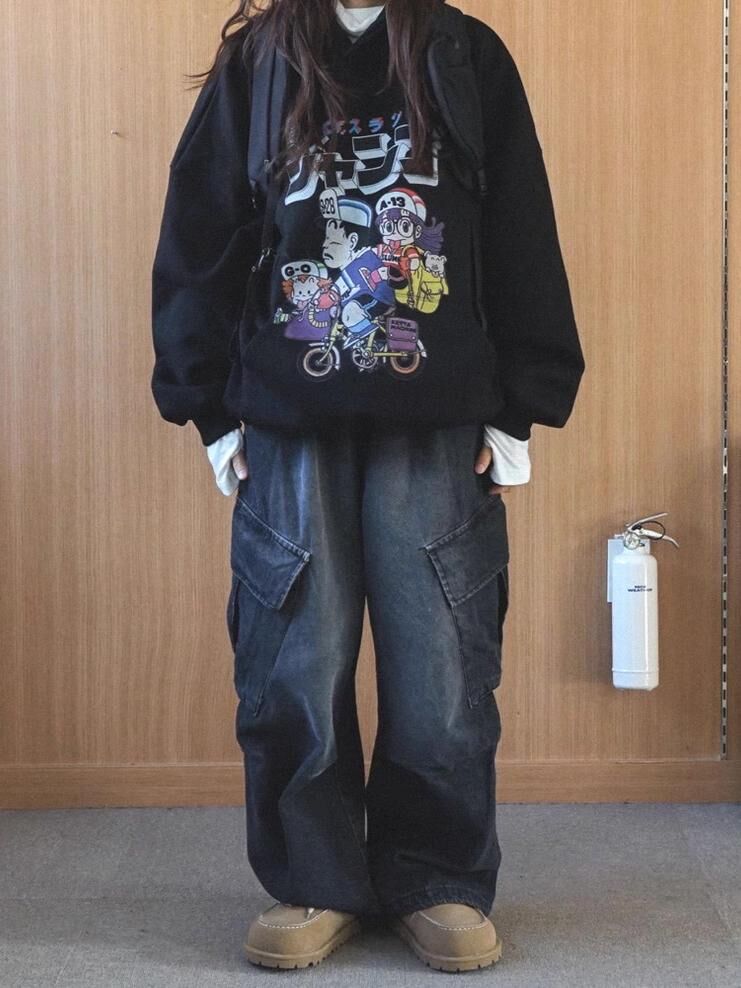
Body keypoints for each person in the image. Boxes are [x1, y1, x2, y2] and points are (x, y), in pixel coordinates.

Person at [150, 0, 585, 972]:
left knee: (442, 665)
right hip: (286, 416)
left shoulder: (464, 55)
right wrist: (206, 408)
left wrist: (522, 405)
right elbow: (202, 231)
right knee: (293, 660)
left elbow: (519, 223)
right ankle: (314, 876)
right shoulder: (260, 62)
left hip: (436, 419)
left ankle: (437, 875)